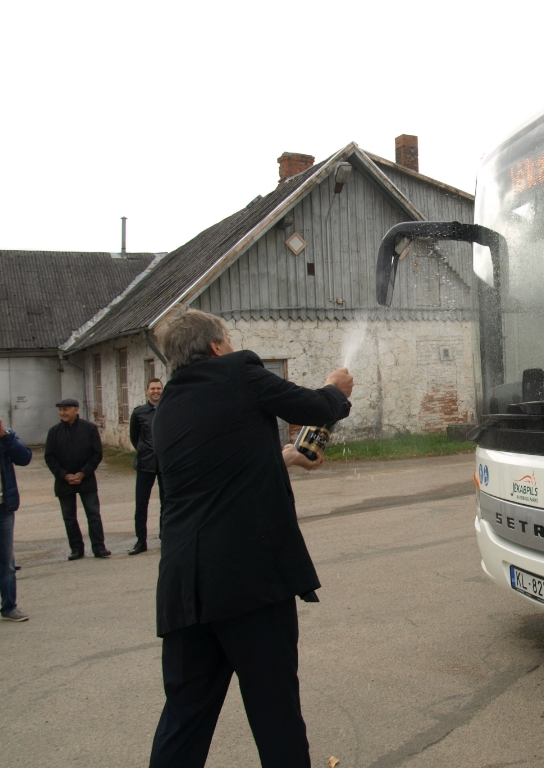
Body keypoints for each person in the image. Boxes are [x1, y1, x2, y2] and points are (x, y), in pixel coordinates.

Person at [148, 309, 353, 768]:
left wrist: (285, 457)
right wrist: (336, 393)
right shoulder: (237, 372)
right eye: (228, 336)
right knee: (275, 711)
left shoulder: (168, 409)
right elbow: (315, 407)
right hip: (248, 582)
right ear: (217, 346)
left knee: (185, 717)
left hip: (185, 589)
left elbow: (214, 474)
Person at [44, 399, 111, 560]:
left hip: (86, 479)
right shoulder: (54, 432)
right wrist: (63, 475)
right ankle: (76, 548)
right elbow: (49, 457)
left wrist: (83, 473)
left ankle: (99, 547)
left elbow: (97, 454)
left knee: (93, 514)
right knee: (69, 516)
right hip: (64, 482)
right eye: (60, 410)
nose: (62, 413)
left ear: (75, 410)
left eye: (65, 410)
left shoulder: (89, 429)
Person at [0, 402, 32, 621]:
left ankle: (9, 607)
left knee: (6, 563)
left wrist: (3, 434)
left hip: (1, 508)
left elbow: (24, 458)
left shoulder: (3, 437)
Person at [128, 378, 164, 555]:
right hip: (145, 464)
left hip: (165, 464)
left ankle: (165, 537)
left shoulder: (168, 410)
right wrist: (144, 451)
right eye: (153, 388)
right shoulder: (139, 413)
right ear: (146, 391)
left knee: (167, 503)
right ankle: (141, 541)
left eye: (158, 388)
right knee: (141, 504)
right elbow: (135, 437)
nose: (156, 391)